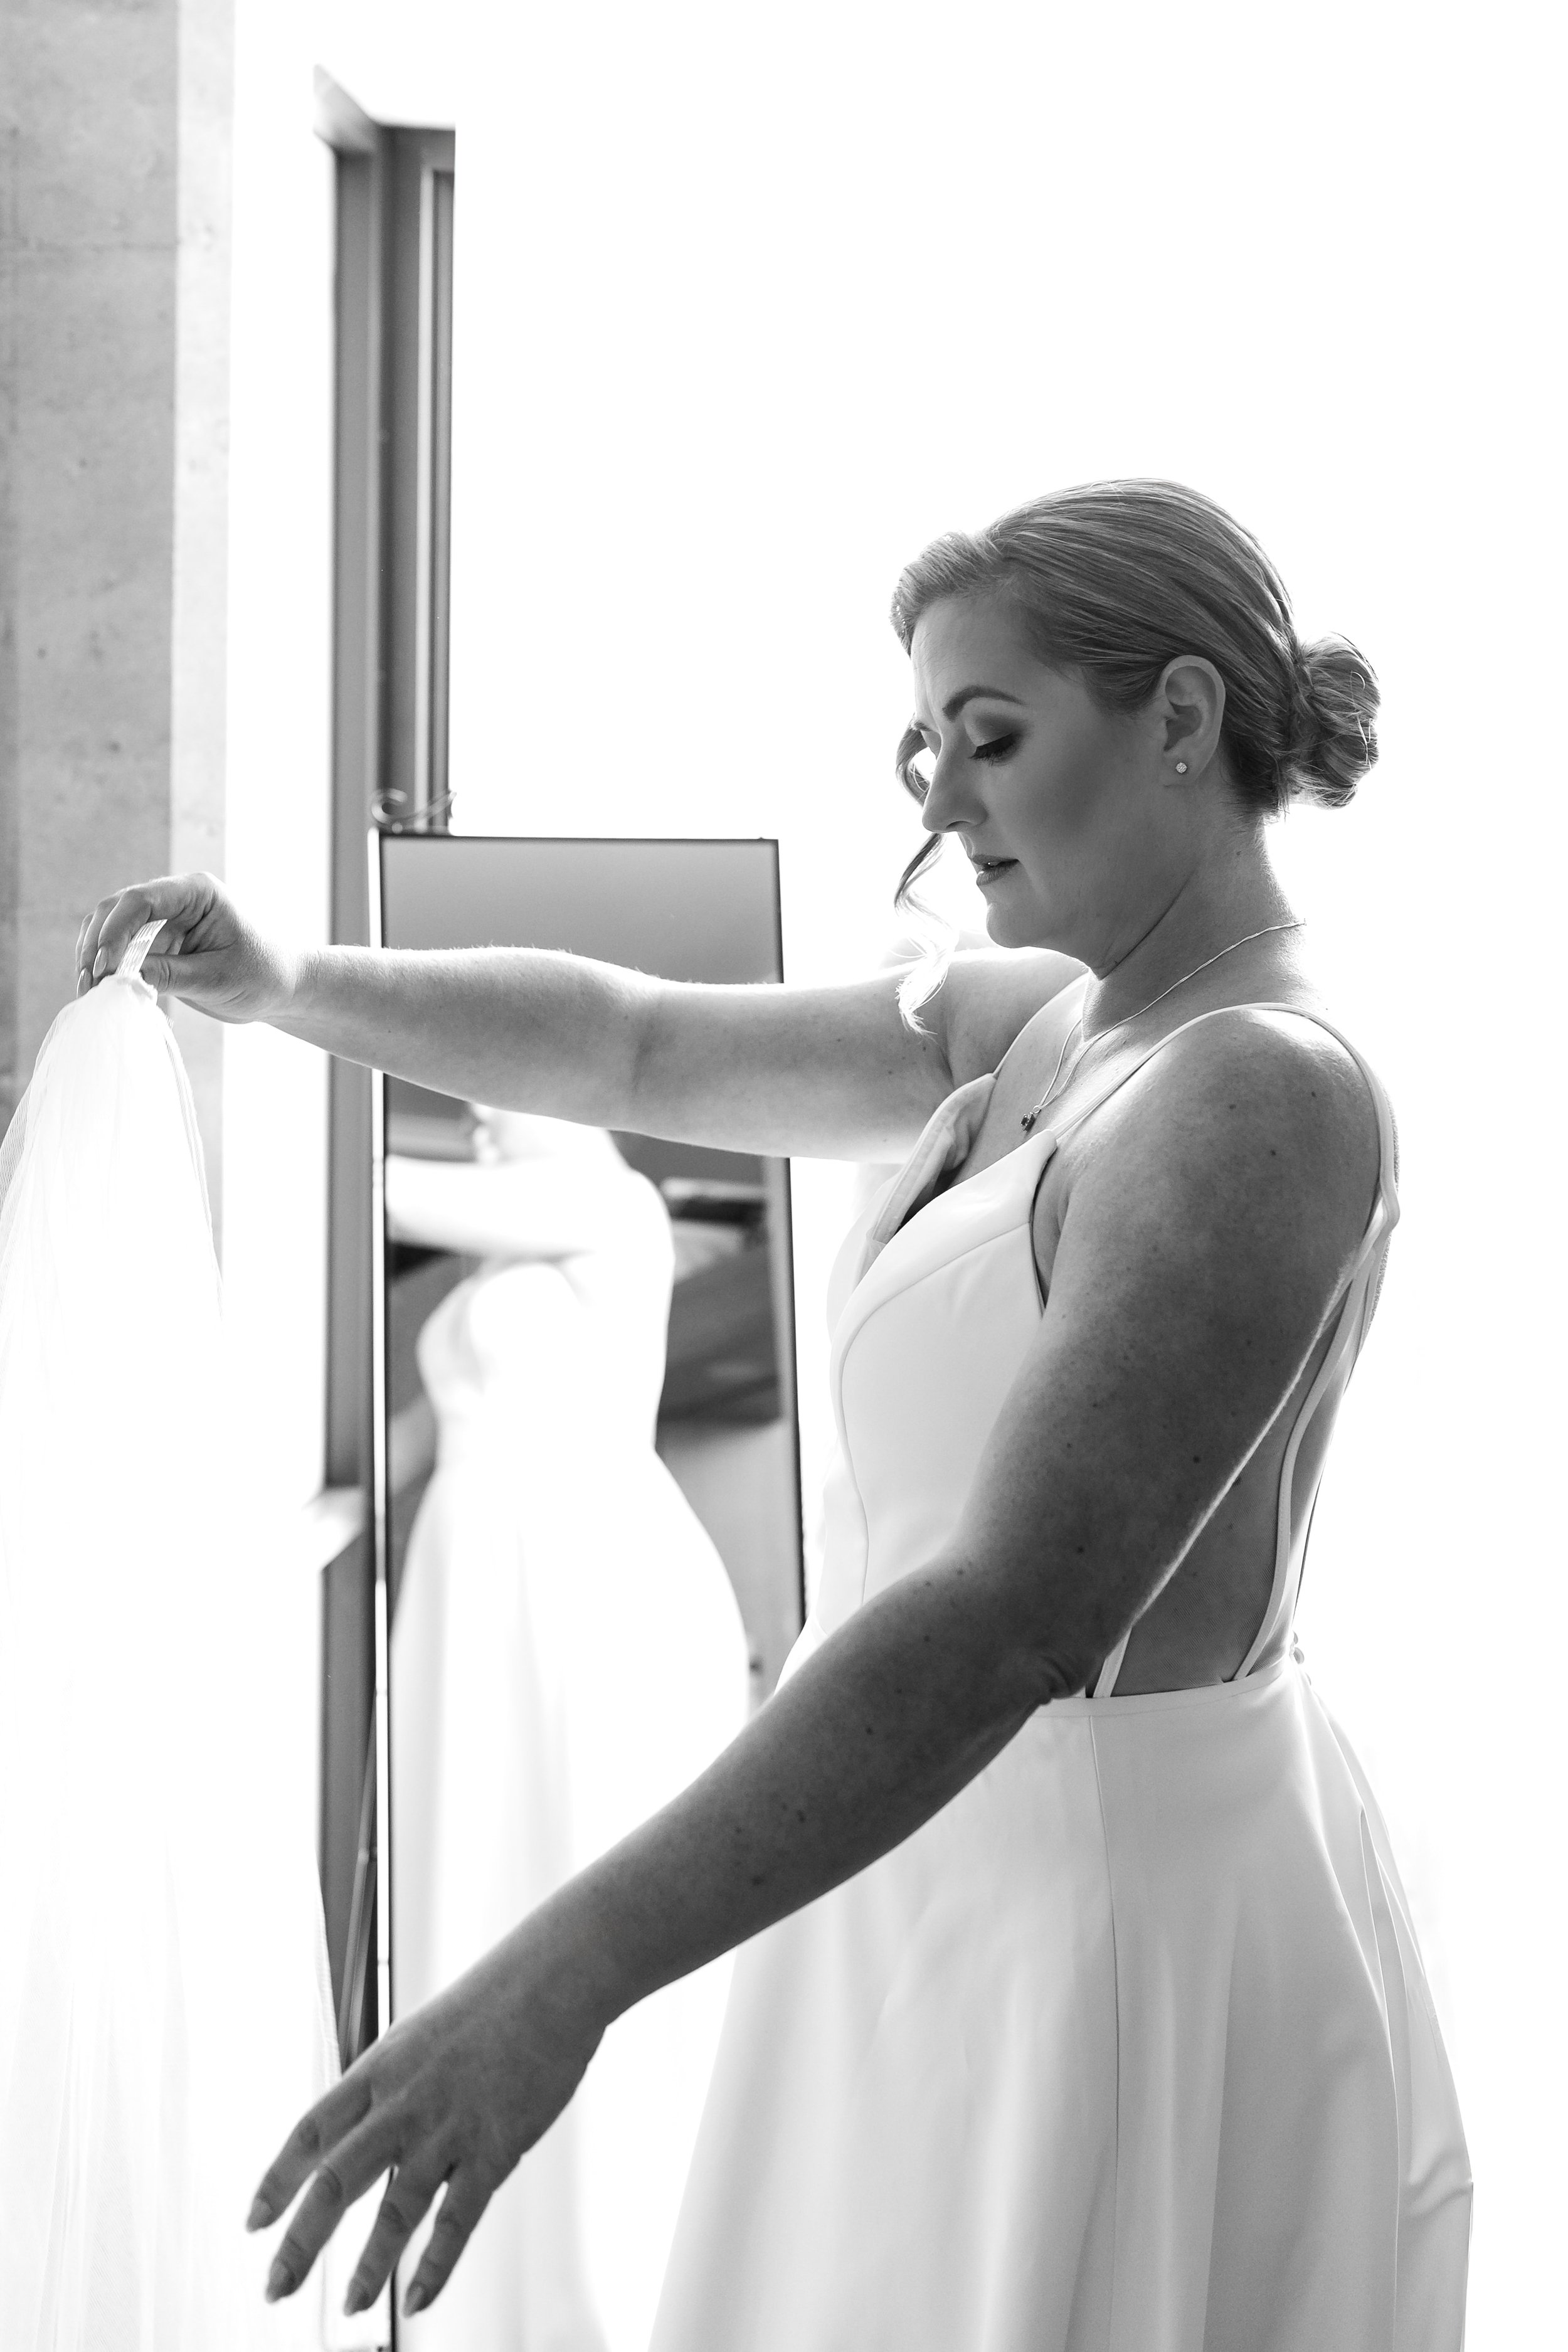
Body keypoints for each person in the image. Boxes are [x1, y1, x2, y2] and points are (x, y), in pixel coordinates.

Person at [79, 480, 1471, 2350]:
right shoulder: (1054, 1023)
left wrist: (562, 1974)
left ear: (1178, 716)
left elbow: (1014, 1614)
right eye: (922, 748)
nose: (939, 801)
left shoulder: (1253, 1091)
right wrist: (290, 984)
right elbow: (637, 1039)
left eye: (989, 737)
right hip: (924, 1861)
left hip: (1102, 1903)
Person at [384, 1109, 749, 2351]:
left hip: (580, 1576)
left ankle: (605, 2293)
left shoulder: (611, 1204)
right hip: (473, 1585)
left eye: (493, 1088)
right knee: (476, 1877)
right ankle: (477, 2293)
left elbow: (372, 1188)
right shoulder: (506, 1256)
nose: (478, 1115)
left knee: (569, 1870)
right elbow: (408, 1443)